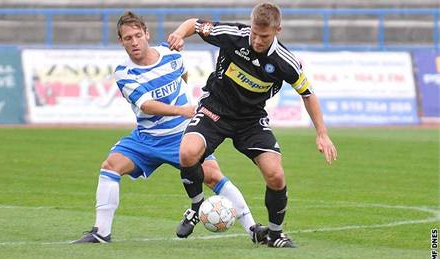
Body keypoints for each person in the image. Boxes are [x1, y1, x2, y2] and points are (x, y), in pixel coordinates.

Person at [72, 11, 268, 244]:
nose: (134, 42)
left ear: (146, 33)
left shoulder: (170, 55)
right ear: (120, 41)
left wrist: (183, 114)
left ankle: (253, 229)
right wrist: (181, 110)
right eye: (127, 38)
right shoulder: (124, 71)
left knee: (214, 177)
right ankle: (101, 232)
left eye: (137, 35)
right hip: (146, 138)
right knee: (111, 166)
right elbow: (146, 105)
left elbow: (182, 74)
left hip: (182, 136)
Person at [167, 2, 338, 248]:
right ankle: (195, 207)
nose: (257, 40)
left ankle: (276, 234)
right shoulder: (233, 35)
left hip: (250, 120)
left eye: (264, 36)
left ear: (278, 30)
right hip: (215, 108)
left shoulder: (285, 61)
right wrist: (179, 35)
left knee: (275, 175)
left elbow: (308, 93)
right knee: (187, 152)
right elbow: (194, 24)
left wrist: (322, 134)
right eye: (254, 33)